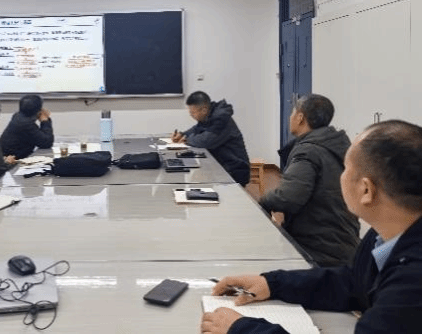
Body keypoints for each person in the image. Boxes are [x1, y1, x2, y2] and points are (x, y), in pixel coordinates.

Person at [201, 119, 422, 334]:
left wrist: (242, 329)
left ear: (366, 190)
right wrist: (272, 284)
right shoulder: (385, 235)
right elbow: (352, 283)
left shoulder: (412, 283)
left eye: (345, 168)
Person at [259, 94, 360, 266]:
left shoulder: (308, 151)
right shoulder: (337, 144)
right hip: (343, 240)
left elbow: (288, 197)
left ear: (300, 118)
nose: (290, 118)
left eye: (292, 113)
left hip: (319, 249)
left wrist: (263, 201)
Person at [172, 91, 250, 186]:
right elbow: (197, 129)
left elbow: (205, 141)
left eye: (193, 112)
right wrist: (182, 134)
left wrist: (186, 140)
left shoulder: (221, 119)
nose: (191, 115)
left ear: (204, 110)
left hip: (234, 170)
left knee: (196, 184)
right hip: (219, 166)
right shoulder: (209, 115)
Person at [0, 94, 54, 159]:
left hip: (10, 156)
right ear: (38, 110)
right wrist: (45, 121)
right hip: (12, 161)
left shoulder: (18, 116)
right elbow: (47, 143)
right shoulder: (26, 124)